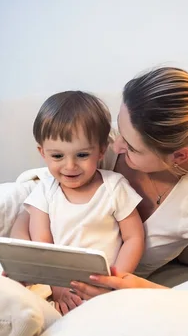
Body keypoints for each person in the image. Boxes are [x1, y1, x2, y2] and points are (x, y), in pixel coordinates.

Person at [11, 66, 188, 302]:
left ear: (178, 156)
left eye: (131, 147)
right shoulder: (99, 143)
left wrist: (134, 286)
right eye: (119, 129)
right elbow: (35, 206)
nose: (114, 146)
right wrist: (25, 260)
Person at [21, 90, 146, 314]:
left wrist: (115, 280)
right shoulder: (45, 191)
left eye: (81, 155)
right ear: (42, 153)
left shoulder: (114, 187)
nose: (70, 166)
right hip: (55, 284)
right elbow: (41, 246)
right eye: (57, 156)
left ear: (100, 151)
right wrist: (57, 286)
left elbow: (134, 237)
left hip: (103, 286)